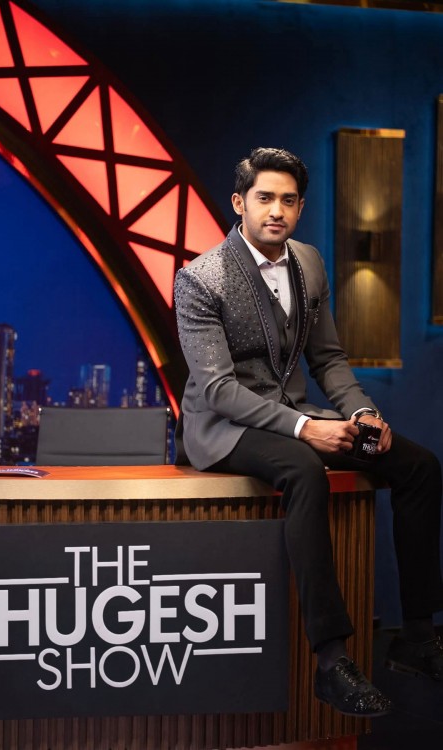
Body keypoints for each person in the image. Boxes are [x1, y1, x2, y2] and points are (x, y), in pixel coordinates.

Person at [173, 146, 443, 717]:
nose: (277, 210)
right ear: (239, 203)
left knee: (420, 467)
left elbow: (329, 359)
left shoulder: (310, 263)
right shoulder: (199, 278)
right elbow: (217, 390)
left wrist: (362, 413)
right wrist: (305, 428)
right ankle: (331, 661)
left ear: (300, 207)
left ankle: (417, 637)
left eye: (289, 200)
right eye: (265, 198)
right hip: (222, 427)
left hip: (292, 413)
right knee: (303, 470)